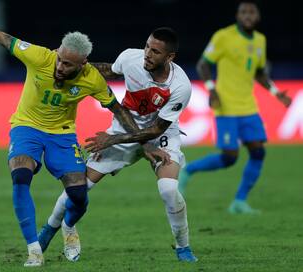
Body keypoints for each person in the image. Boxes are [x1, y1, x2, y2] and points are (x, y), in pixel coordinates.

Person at [0, 18, 166, 267]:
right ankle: (34, 250)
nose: (60, 67)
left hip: (62, 134)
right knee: (20, 175)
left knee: (78, 194)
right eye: (60, 59)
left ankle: (69, 227)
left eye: (68, 64)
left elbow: (118, 110)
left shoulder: (92, 79)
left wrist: (146, 143)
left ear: (83, 64)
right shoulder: (40, 57)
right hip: (26, 127)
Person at [38, 27, 198, 262]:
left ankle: (183, 247)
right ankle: (50, 230)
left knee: (169, 189)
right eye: (146, 46)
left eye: (155, 51)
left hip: (158, 134)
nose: (147, 54)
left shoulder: (180, 87)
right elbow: (108, 71)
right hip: (125, 128)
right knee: (79, 187)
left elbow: (156, 130)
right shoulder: (130, 58)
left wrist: (112, 139)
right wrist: (77, 63)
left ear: (169, 57)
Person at [178, 1, 292, 214]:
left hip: (248, 107)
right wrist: (212, 90)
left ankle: (239, 202)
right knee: (230, 157)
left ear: (257, 17)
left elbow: (259, 72)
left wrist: (276, 93)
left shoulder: (260, 40)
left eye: (252, 12)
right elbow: (203, 64)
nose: (248, 15)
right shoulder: (224, 36)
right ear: (238, 16)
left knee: (258, 152)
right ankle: (188, 171)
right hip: (226, 106)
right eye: (244, 12)